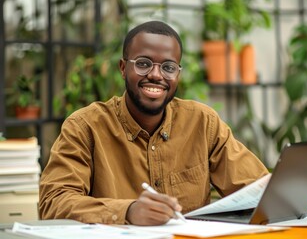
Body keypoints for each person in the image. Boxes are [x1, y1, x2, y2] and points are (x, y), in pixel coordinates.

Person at [39, 20, 268, 226]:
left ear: (178, 74)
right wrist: (127, 211)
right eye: (143, 63)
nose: (156, 75)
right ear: (122, 68)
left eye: (168, 67)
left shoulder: (203, 123)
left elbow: (259, 190)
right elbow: (53, 202)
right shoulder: (84, 127)